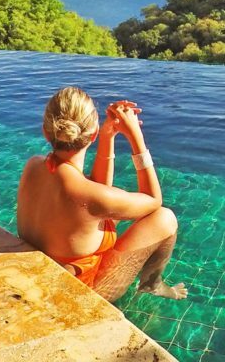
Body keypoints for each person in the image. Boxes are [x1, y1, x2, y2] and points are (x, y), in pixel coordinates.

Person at [16, 86, 187, 301]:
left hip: (47, 272)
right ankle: (152, 284)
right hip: (80, 293)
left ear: (45, 130)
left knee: (110, 214)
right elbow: (153, 200)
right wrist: (136, 138)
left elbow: (95, 195)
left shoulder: (33, 166)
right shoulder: (90, 197)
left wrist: (108, 135)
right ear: (92, 134)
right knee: (165, 218)